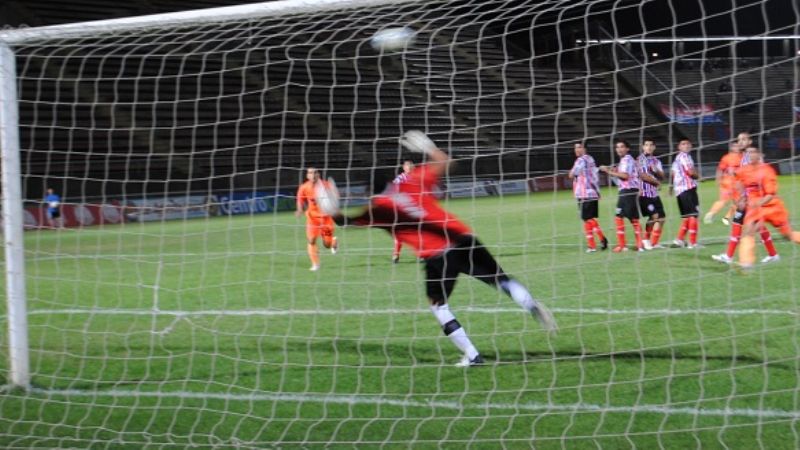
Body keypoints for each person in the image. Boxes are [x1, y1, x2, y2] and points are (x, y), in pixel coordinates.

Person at [333, 131, 557, 367]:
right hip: (464, 238)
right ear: (390, 181)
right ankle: (531, 304)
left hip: (438, 256)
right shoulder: (412, 180)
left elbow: (344, 222)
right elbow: (446, 162)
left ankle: (473, 356)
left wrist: (330, 207)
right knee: (501, 280)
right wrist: (428, 147)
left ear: (368, 190)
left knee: (438, 306)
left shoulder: (378, 209)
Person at [734, 146, 800, 270]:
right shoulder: (744, 170)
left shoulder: (767, 170)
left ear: (759, 154)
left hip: (773, 207)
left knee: (787, 235)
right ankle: (746, 263)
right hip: (756, 209)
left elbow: (770, 194)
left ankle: (748, 262)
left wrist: (758, 203)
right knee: (749, 231)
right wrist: (741, 198)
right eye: (748, 153)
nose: (750, 155)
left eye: (753, 152)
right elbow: (738, 180)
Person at [599, 139, 643, 252]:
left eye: (622, 146)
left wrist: (608, 171)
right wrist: (612, 170)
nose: (619, 149)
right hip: (626, 191)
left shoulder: (627, 159)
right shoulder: (625, 160)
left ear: (627, 148)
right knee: (619, 216)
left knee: (632, 218)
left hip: (628, 191)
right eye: (617, 147)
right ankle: (623, 245)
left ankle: (638, 245)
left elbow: (625, 176)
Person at [567, 142, 608, 252]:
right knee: (588, 219)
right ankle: (596, 242)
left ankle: (597, 242)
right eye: (575, 148)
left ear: (585, 148)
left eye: (579, 147)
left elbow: (571, 174)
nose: (576, 150)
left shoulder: (581, 160)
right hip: (592, 192)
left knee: (586, 218)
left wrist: (572, 172)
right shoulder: (591, 159)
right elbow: (594, 173)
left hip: (585, 193)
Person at [296, 167, 338, 271]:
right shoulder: (304, 187)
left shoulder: (326, 185)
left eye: (315, 172)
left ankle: (333, 242)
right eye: (310, 173)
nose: (313, 175)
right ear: (307, 175)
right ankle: (315, 264)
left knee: (327, 245)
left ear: (318, 174)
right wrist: (300, 209)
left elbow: (335, 197)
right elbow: (300, 199)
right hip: (312, 218)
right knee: (311, 240)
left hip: (326, 219)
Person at [704, 139, 744, 226]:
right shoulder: (727, 157)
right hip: (727, 183)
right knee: (723, 200)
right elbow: (720, 169)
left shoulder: (743, 157)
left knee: (739, 202)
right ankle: (710, 214)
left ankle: (727, 217)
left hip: (738, 184)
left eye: (738, 145)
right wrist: (718, 180)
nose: (737, 147)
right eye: (735, 146)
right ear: (731, 148)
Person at [636, 138, 666, 250]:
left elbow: (663, 176)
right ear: (643, 147)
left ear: (654, 147)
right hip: (644, 193)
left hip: (654, 194)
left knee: (662, 218)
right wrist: (657, 182)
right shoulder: (641, 159)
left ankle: (655, 242)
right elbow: (643, 175)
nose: (648, 147)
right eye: (646, 145)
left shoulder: (656, 161)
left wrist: (656, 171)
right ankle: (645, 240)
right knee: (654, 216)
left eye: (651, 145)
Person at [670, 138, 700, 248]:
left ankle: (679, 239)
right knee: (693, 215)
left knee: (686, 217)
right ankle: (692, 243)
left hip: (679, 191)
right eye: (683, 144)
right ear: (679, 147)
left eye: (688, 143)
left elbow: (673, 174)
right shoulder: (684, 157)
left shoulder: (677, 158)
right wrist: (700, 177)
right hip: (688, 189)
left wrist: (671, 189)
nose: (686, 145)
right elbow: (691, 172)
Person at [391, 160, 415, 263]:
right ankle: (396, 255)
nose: (409, 168)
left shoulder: (416, 179)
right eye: (407, 166)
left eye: (411, 166)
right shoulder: (399, 179)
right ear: (404, 167)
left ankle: (423, 254)